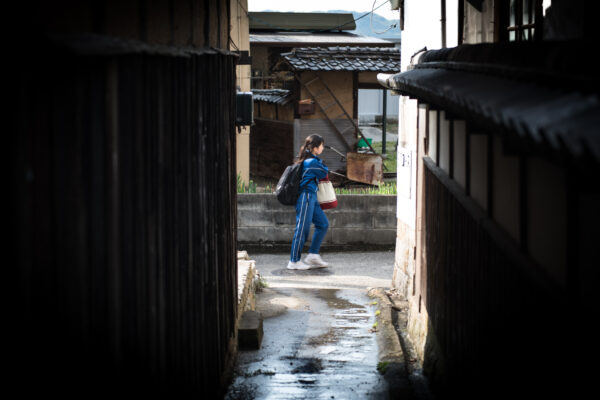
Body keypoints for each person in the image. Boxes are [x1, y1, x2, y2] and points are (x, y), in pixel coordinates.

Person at [288, 134, 331, 270]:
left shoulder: (310, 160)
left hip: (311, 196)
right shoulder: (311, 162)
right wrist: (319, 161)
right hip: (306, 196)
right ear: (315, 148)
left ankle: (313, 256)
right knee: (302, 229)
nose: (323, 148)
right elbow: (324, 172)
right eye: (322, 146)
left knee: (323, 224)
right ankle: (293, 261)